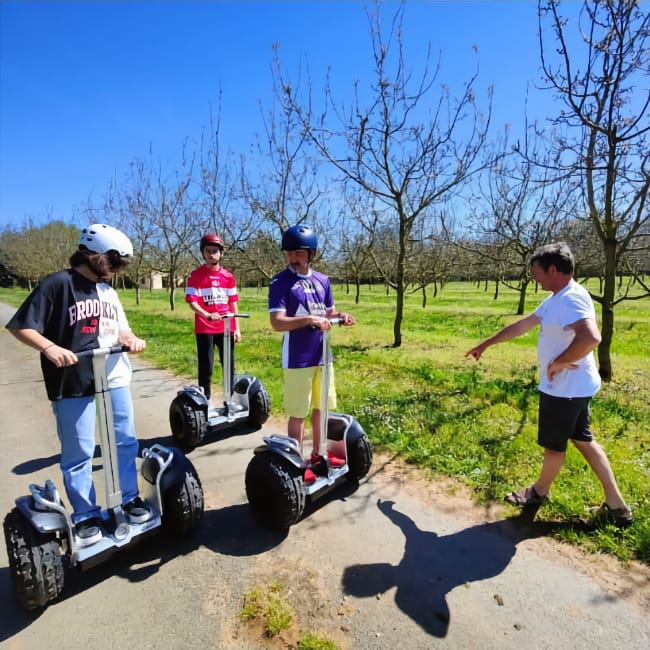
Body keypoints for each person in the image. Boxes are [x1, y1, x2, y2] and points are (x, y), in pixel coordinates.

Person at [465, 242, 632, 527]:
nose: (535, 278)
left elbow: (591, 338)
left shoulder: (570, 298)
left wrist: (557, 363)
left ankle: (538, 492)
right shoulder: (558, 297)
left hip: (564, 390)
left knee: (555, 448)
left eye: (538, 273)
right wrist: (487, 343)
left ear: (553, 270)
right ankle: (617, 507)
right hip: (574, 389)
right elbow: (523, 325)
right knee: (584, 441)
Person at [6, 223, 152, 547]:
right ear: (94, 254)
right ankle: (86, 514)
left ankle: (128, 499)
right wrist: (49, 347)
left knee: (124, 442)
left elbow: (121, 331)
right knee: (80, 451)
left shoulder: (109, 291)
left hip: (113, 375)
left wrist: (131, 339)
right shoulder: (58, 284)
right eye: (113, 263)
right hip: (73, 380)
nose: (116, 271)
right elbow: (21, 326)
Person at [268, 224, 355, 483]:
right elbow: (277, 322)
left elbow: (327, 313)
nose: (293, 258)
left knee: (321, 409)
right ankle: (297, 463)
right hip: (297, 359)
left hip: (322, 356)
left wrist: (342, 316)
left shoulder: (323, 281)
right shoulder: (281, 282)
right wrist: (307, 320)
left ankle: (318, 455)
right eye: (289, 253)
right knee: (298, 412)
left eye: (298, 253)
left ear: (311, 253)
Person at [185, 233, 240, 403]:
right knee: (206, 367)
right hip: (205, 327)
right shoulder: (195, 276)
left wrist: (236, 328)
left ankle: (229, 399)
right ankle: (205, 401)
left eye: (215, 251)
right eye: (208, 251)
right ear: (203, 252)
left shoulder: (228, 277)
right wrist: (207, 314)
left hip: (225, 328)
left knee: (229, 366)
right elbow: (192, 301)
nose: (211, 254)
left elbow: (233, 303)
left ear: (221, 253)